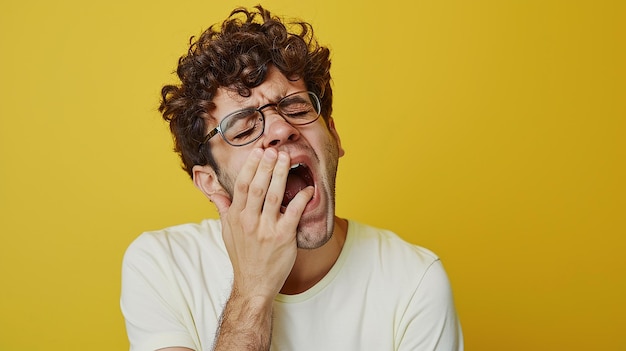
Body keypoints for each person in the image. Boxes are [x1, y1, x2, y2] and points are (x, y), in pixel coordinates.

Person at [120, 5, 463, 351]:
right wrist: (253, 292)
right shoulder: (161, 266)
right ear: (210, 181)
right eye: (243, 128)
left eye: (298, 108)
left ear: (334, 137)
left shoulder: (415, 282)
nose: (282, 129)